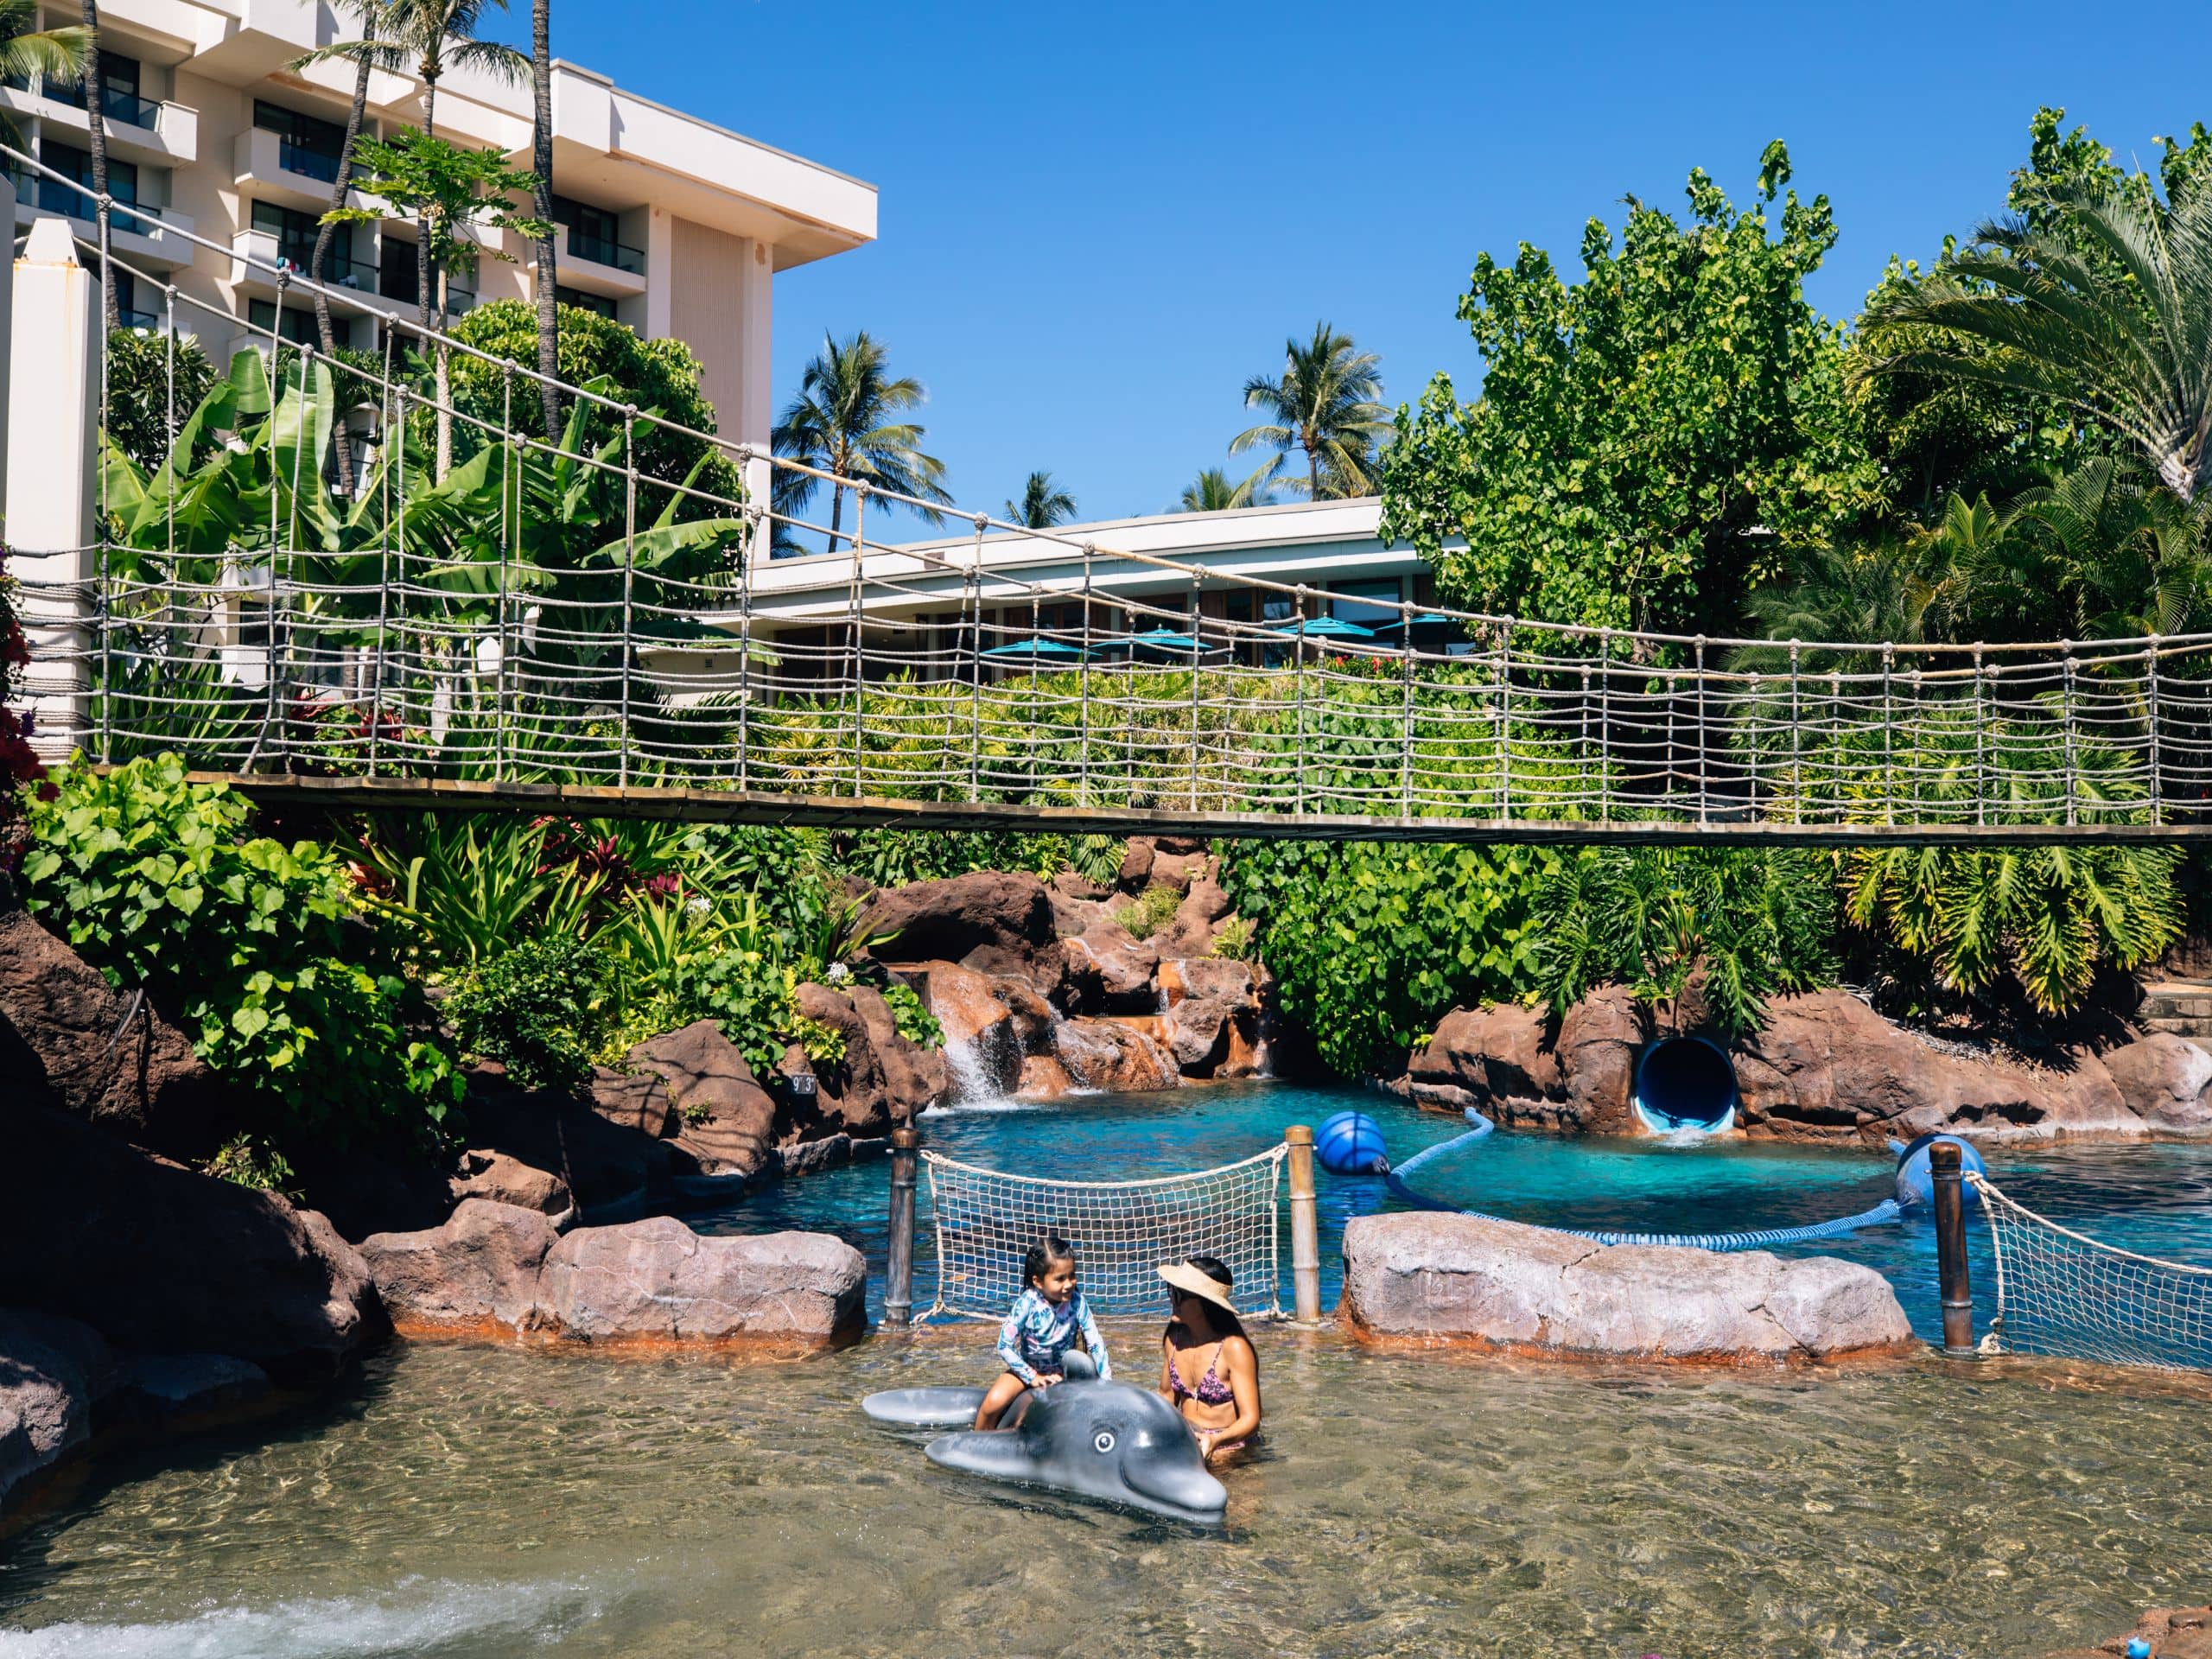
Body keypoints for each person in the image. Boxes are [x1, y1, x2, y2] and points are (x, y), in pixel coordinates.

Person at [973, 1234, 1112, 1430]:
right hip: (1027, 1372)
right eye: (1060, 1279)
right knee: (992, 1404)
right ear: (1038, 1281)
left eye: (1072, 1275)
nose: (1069, 1284)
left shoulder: (1078, 1303)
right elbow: (1004, 1345)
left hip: (1064, 1375)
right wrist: (1033, 1377)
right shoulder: (1027, 1303)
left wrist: (1105, 1382)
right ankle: (977, 1445)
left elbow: (1095, 1343)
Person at [1155, 1255, 1262, 1464]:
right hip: (1187, 1442)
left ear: (1205, 1303)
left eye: (1180, 1295)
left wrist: (1215, 1441)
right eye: (1171, 1291)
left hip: (1231, 1450)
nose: (1172, 1299)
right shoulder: (1174, 1338)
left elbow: (1251, 1419)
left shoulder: (1234, 1348)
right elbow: (1167, 1396)